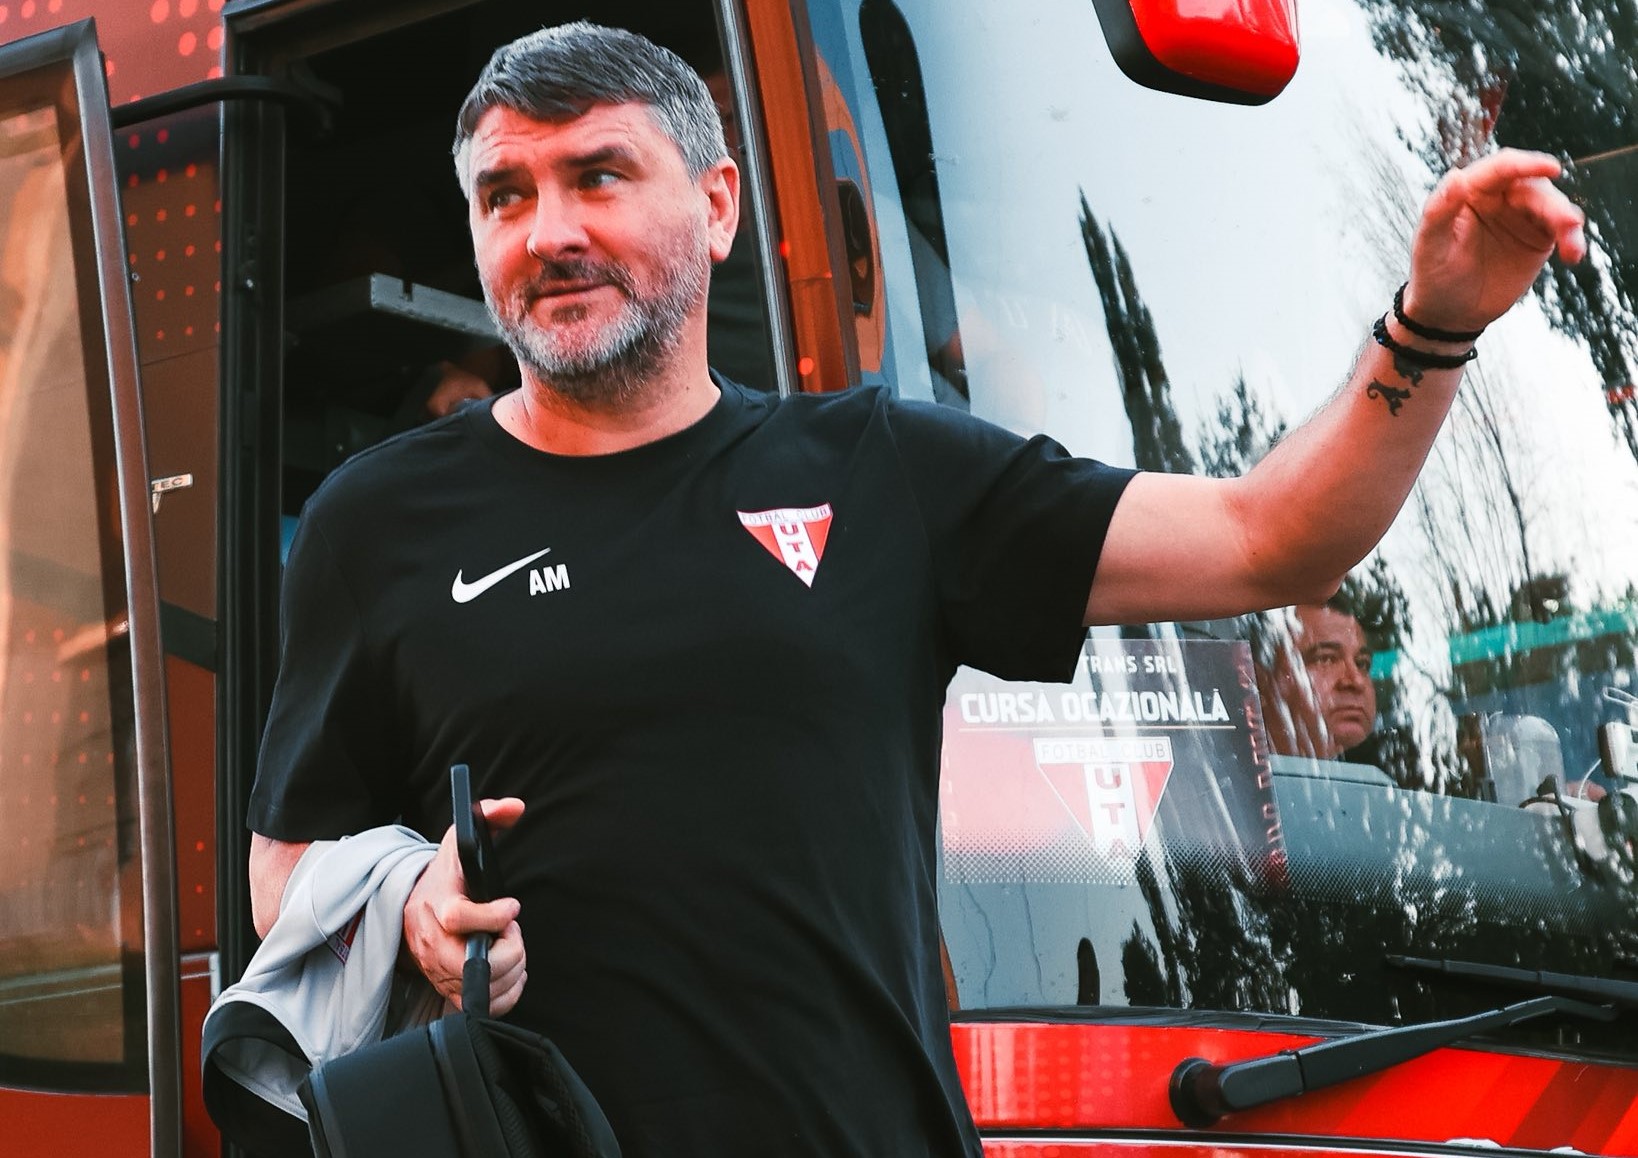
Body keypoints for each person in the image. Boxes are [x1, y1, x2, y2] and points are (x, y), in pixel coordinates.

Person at [243, 21, 1587, 1157]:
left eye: (599, 176)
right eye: (505, 196)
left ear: (716, 206)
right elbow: (283, 867)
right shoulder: (382, 521)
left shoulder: (880, 470)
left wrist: (1433, 324)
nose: (550, 232)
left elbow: (1265, 540)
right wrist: (411, 902)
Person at [1256, 598, 1380, 761]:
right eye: (1325, 659)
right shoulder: (1227, 774)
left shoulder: (1382, 775)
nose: (1357, 681)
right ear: (1261, 681)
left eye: (1362, 663)